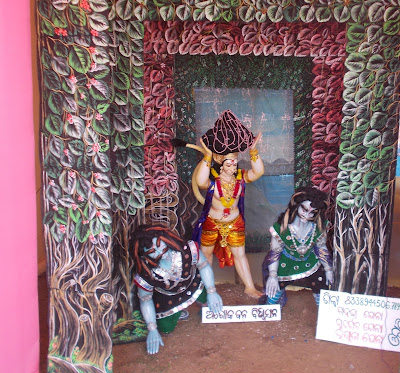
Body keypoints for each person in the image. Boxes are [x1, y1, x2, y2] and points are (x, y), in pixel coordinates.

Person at [191, 110, 264, 299]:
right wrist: (207, 156)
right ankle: (205, 288)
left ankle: (249, 287)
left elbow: (258, 172)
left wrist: (253, 151)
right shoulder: (213, 181)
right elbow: (200, 181)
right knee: (206, 254)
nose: (233, 167)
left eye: (235, 163)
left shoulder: (240, 178)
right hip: (212, 222)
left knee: (240, 254)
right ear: (220, 163)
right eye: (229, 164)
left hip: (234, 222)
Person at [130, 224, 223, 354]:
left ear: (166, 238)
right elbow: (145, 299)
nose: (159, 252)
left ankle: (202, 300)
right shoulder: (146, 273)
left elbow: (204, 266)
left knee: (207, 300)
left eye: (159, 245)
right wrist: (152, 329)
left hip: (193, 285)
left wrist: (212, 291)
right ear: (144, 256)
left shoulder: (188, 249)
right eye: (152, 252)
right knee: (166, 328)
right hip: (167, 299)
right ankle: (177, 313)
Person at [262, 186, 334, 307]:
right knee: (272, 297)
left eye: (312, 212)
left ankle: (324, 313)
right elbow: (274, 252)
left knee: (322, 293)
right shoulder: (281, 228)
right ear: (297, 205)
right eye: (304, 209)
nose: (307, 215)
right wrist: (273, 275)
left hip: (311, 263)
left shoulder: (318, 227)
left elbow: (321, 248)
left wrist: (328, 269)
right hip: (285, 264)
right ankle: (271, 310)